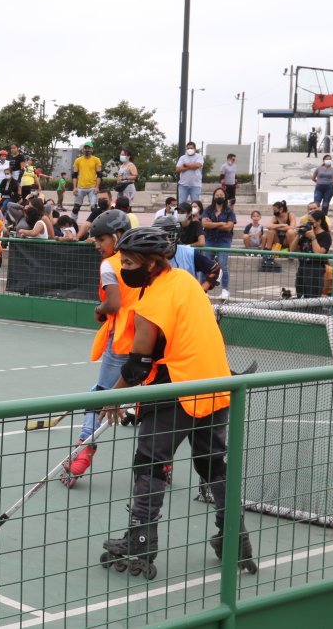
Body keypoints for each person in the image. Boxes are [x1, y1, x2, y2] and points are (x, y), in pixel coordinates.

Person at [98, 226, 257, 578]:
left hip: (179, 390)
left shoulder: (152, 301)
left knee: (150, 462)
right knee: (214, 464)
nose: (124, 268)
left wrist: (113, 396)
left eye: (130, 262)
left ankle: (140, 542)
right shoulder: (185, 281)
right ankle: (235, 538)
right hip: (216, 384)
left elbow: (138, 365)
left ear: (153, 263)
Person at [62, 210, 136, 488]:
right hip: (150, 338)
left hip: (123, 340)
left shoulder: (110, 265)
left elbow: (115, 303)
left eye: (101, 239)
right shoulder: (145, 261)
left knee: (100, 396)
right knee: (158, 401)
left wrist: (99, 309)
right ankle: (161, 465)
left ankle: (83, 453)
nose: (97, 245)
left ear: (117, 237)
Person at [201, 188, 236, 299]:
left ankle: (225, 290)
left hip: (224, 241)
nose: (219, 196)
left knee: (222, 264)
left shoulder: (229, 211)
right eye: (217, 194)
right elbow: (205, 224)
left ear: (225, 197)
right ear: (213, 196)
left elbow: (229, 227)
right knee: (205, 264)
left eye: (221, 195)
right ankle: (203, 289)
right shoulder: (208, 210)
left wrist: (213, 223)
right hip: (210, 240)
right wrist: (221, 223)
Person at [294, 209, 332, 298]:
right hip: (302, 268)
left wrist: (313, 238)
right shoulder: (305, 233)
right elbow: (292, 250)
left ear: (318, 222)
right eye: (308, 221)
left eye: (311, 221)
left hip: (315, 270)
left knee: (312, 297)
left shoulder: (325, 236)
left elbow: (319, 253)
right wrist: (298, 235)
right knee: (300, 295)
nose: (308, 224)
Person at [258, 200, 295, 272]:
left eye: (275, 210)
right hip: (277, 240)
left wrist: (276, 227)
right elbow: (268, 226)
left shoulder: (290, 215)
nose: (274, 212)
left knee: (291, 232)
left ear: (281, 209)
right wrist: (282, 225)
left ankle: (291, 252)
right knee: (270, 231)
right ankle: (268, 252)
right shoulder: (275, 217)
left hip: (286, 240)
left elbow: (292, 227)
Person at [72, 141, 103, 220]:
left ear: (92, 150)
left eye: (89, 148)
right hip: (80, 187)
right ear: (83, 150)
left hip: (92, 187)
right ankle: (72, 223)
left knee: (94, 208)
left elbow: (99, 175)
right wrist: (74, 187)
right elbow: (74, 175)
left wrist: (97, 187)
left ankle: (95, 223)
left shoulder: (96, 160)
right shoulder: (78, 160)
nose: (87, 150)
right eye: (85, 148)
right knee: (76, 207)